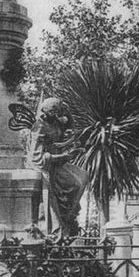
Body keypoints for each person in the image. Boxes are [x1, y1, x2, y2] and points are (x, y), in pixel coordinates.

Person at [29, 98, 88, 242]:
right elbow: (36, 157)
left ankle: (68, 216)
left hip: (57, 162)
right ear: (45, 110)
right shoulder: (39, 127)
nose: (56, 114)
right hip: (47, 166)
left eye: (57, 111)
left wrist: (68, 113)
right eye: (53, 111)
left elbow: (68, 128)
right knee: (75, 184)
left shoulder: (54, 122)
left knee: (83, 175)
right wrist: (61, 156)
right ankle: (64, 218)